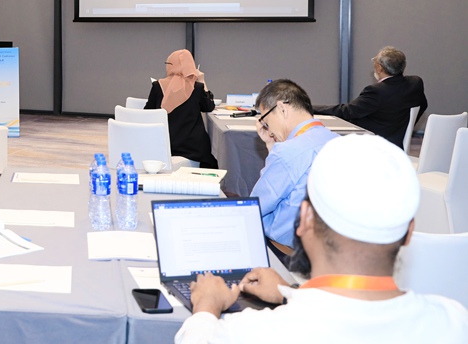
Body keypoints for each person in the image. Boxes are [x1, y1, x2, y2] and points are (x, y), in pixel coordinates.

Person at [175, 134, 468, 344]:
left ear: (305, 219)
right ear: (409, 233)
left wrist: (206, 309)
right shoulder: (454, 322)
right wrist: (290, 292)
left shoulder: (252, 333)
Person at [250, 79, 337, 249]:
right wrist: (272, 146)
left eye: (266, 122)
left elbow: (257, 206)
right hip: (330, 245)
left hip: (287, 249)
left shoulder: (287, 152)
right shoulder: (337, 140)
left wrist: (275, 150)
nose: (269, 130)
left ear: (282, 108)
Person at [314, 46, 427, 148]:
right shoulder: (415, 83)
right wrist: (407, 127)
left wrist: (310, 108)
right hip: (396, 142)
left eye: (374, 61)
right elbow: (423, 105)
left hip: (372, 145)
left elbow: (347, 111)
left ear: (380, 67)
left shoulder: (376, 91)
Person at [144, 49, 218, 168]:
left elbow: (147, 113)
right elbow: (209, 107)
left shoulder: (158, 86)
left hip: (165, 145)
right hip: (194, 149)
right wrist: (202, 80)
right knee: (214, 161)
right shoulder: (197, 87)